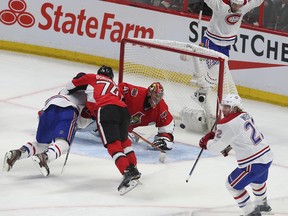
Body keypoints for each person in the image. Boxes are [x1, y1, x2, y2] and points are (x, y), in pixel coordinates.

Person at [66, 65, 141, 194]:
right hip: (123, 110)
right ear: (111, 77)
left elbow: (70, 86)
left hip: (106, 109)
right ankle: (133, 169)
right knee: (124, 142)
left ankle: (126, 173)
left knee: (113, 145)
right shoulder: (115, 87)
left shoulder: (92, 77)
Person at [198, 94, 273, 216]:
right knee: (257, 182)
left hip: (253, 163)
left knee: (232, 186)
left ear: (234, 107)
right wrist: (228, 146)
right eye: (223, 106)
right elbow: (242, 136)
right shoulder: (246, 115)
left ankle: (251, 213)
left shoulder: (226, 122)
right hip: (267, 157)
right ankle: (262, 205)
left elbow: (215, 148)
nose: (223, 109)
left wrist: (206, 142)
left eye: (227, 107)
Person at [3, 86, 89, 176]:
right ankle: (45, 157)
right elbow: (83, 123)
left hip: (48, 108)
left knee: (41, 144)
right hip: (67, 110)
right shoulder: (92, 96)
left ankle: (18, 153)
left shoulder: (69, 88)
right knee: (63, 143)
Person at [119, 82, 175, 151]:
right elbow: (119, 88)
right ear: (149, 93)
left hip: (124, 128)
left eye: (160, 96)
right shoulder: (135, 93)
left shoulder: (160, 107)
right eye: (156, 95)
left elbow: (167, 123)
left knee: (124, 139)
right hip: (111, 120)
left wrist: (164, 139)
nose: (158, 99)